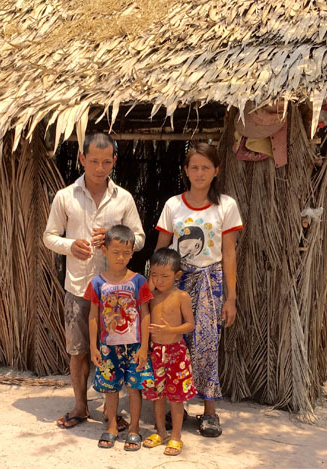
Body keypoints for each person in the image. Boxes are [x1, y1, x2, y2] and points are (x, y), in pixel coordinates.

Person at [42, 133, 145, 430]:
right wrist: (70, 245)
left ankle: (111, 411)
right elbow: (49, 237)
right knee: (78, 350)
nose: (100, 168)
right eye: (94, 161)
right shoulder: (65, 196)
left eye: (106, 161)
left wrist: (114, 237)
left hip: (114, 292)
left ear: (114, 161)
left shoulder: (123, 198)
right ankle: (80, 406)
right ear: (82, 159)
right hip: (78, 287)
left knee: (113, 350)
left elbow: (138, 239)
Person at [154, 142, 243, 437]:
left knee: (206, 347)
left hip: (211, 282)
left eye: (206, 167)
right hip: (176, 283)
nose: (200, 172)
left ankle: (209, 412)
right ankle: (173, 407)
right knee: (172, 343)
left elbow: (228, 253)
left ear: (216, 170)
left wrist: (230, 297)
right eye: (194, 167)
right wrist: (156, 286)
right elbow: (161, 249)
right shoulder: (172, 205)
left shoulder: (226, 206)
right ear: (186, 171)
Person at [86, 225, 154, 450]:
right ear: (104, 250)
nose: (121, 257)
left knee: (135, 388)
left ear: (132, 252)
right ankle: (112, 426)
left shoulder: (138, 281)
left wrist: (144, 347)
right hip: (108, 348)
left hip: (134, 347)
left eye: (126, 253)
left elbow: (145, 315)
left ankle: (134, 428)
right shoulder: (97, 283)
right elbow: (93, 317)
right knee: (111, 389)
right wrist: (94, 348)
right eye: (115, 252)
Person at [142, 248, 196, 456]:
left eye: (165, 276)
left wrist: (171, 330)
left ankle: (176, 436)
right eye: (154, 275)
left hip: (176, 354)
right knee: (157, 395)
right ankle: (161, 432)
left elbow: (190, 324)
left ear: (177, 275)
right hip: (155, 353)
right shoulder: (150, 297)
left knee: (176, 398)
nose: (160, 280)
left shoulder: (182, 296)